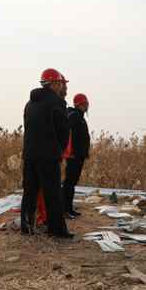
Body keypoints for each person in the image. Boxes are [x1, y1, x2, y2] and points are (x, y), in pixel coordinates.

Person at [20, 67, 72, 239]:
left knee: (29, 192)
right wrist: (59, 150)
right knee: (53, 194)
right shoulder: (57, 103)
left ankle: (27, 226)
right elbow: (63, 131)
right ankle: (57, 230)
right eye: (60, 83)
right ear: (54, 83)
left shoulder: (29, 104)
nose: (61, 86)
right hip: (48, 156)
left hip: (29, 155)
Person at [63, 93, 91, 218]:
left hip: (78, 155)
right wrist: (71, 152)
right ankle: (65, 209)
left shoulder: (79, 116)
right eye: (85, 104)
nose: (87, 106)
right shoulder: (74, 116)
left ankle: (69, 208)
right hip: (74, 156)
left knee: (72, 182)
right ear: (79, 104)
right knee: (69, 182)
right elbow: (67, 133)